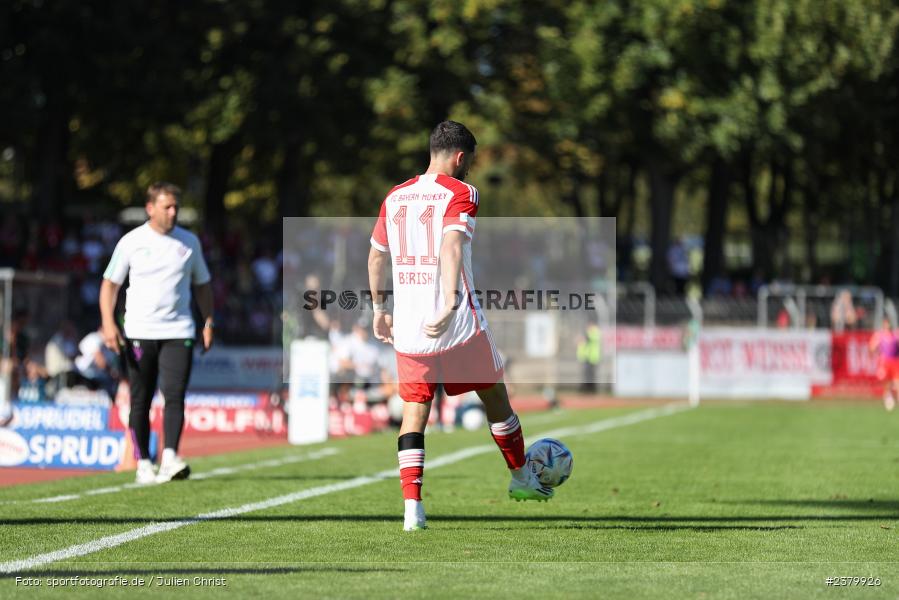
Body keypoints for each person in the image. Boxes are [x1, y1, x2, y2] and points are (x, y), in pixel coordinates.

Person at [368, 121, 552, 532]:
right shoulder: (462, 193)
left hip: (412, 329)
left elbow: (376, 256)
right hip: (459, 325)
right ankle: (522, 479)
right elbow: (451, 245)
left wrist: (379, 308)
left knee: (414, 413)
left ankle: (412, 510)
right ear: (461, 157)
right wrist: (450, 302)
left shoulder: (394, 196)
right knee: (496, 401)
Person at [99, 182, 214, 485]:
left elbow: (202, 284)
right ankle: (142, 461)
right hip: (139, 330)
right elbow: (110, 284)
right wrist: (109, 323)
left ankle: (170, 457)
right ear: (151, 208)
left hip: (179, 330)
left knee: (175, 395)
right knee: (141, 399)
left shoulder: (189, 242)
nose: (173, 212)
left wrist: (208, 322)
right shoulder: (131, 241)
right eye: (167, 206)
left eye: (176, 206)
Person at [869, 317, 899, 412]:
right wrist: (876, 352)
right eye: (886, 323)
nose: (888, 325)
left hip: (895, 362)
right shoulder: (879, 335)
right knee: (887, 383)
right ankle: (888, 399)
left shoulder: (895, 334)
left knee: (897, 382)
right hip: (885, 362)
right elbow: (872, 347)